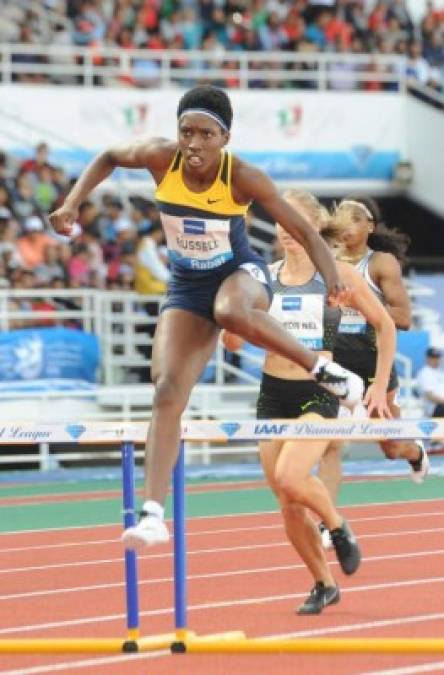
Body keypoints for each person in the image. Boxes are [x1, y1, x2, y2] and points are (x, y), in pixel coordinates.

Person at [49, 85, 364, 550]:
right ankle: (153, 515)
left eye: (205, 134)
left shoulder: (244, 177)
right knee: (167, 390)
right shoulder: (161, 159)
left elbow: (305, 233)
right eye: (186, 132)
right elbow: (109, 156)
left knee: (230, 310)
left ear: (224, 137)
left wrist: (334, 278)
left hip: (240, 273)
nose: (193, 143)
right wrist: (72, 202)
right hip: (187, 288)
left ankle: (323, 371)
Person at [222, 190, 395, 614]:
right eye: (280, 221)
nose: (285, 230)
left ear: (315, 227)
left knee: (290, 474)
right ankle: (324, 582)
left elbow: (385, 325)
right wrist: (228, 322)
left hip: (318, 392)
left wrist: (379, 384)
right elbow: (234, 342)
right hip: (272, 392)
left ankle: (338, 528)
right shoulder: (263, 276)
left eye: (295, 221)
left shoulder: (338, 275)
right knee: (288, 505)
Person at [318, 197, 429, 541]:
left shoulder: (381, 263)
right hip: (335, 360)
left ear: (369, 226)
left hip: (372, 360)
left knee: (391, 447)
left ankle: (414, 451)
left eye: (355, 219)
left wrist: (367, 307)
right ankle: (327, 521)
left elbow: (403, 318)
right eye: (341, 218)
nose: (347, 225)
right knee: (329, 442)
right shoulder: (326, 263)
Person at [416, 347, 444, 418]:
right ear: (427, 358)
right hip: (434, 407)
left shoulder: (440, 372)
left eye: (437, 357)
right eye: (433, 357)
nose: (435, 360)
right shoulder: (425, 373)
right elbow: (430, 396)